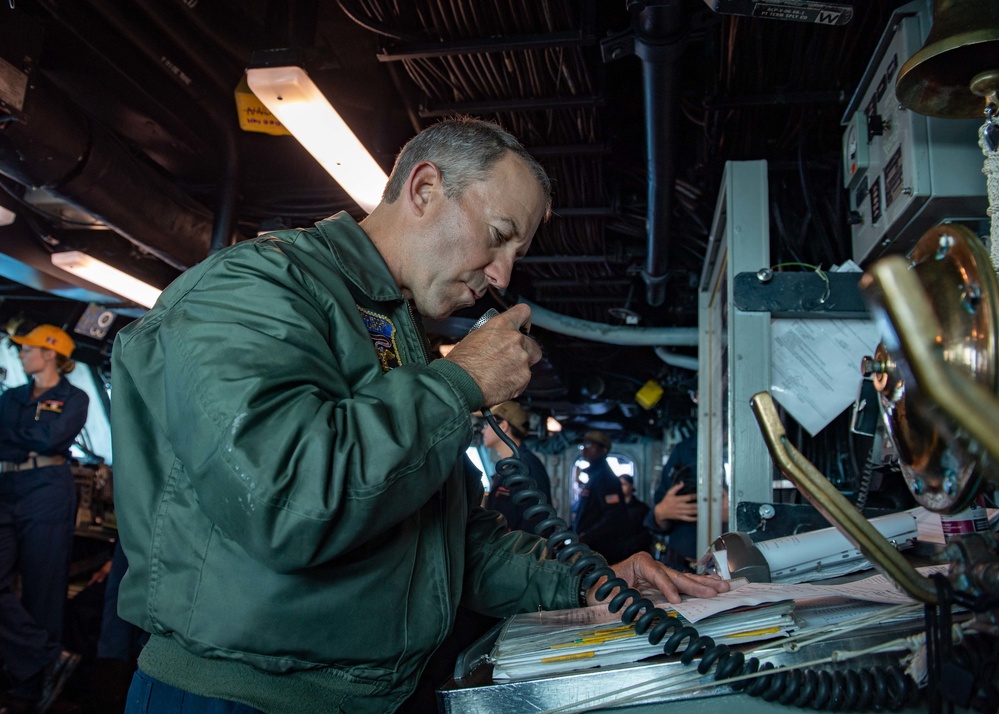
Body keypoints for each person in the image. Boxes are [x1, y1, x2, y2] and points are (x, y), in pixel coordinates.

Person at [111, 116, 729, 714]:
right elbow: (285, 500)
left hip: (373, 694)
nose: (502, 274)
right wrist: (458, 380)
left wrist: (588, 582)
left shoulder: (392, 330)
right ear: (425, 189)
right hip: (244, 698)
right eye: (497, 234)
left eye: (516, 251)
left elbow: (443, 541)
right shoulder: (254, 287)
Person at [0, 324, 89, 714]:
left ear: (50, 353)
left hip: (47, 491)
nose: (21, 354)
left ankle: (28, 689)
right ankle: (41, 653)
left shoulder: (76, 397)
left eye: (28, 349)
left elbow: (49, 440)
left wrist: (21, 435)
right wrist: (28, 434)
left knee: (43, 589)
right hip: (5, 488)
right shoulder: (13, 396)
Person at [645, 431, 728, 572]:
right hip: (683, 565)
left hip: (734, 560)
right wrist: (662, 513)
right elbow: (655, 517)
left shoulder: (754, 444)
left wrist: (731, 515)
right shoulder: (684, 450)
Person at [482, 400, 552, 533]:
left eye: (486, 424)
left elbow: (539, 521)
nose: (483, 430)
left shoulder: (527, 466)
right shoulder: (506, 467)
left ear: (503, 426)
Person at [570, 430, 631, 564]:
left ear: (604, 450)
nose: (584, 448)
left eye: (590, 444)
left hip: (600, 551)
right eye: (583, 445)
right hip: (589, 547)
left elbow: (613, 515)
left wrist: (586, 537)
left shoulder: (606, 478)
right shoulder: (594, 476)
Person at [618, 474, 652, 557]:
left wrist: (632, 544)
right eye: (619, 485)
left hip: (637, 552)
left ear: (632, 486)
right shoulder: (613, 508)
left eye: (624, 484)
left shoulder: (642, 508)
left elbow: (648, 532)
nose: (621, 487)